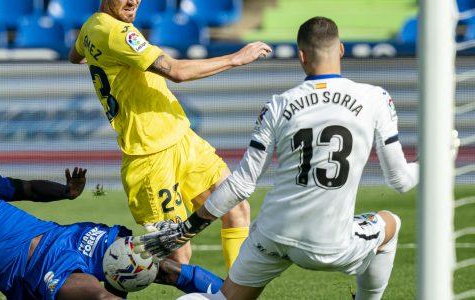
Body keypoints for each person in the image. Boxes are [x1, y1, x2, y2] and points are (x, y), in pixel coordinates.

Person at [135, 17, 461, 299]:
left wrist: (188, 228)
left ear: (302, 57)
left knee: (226, 298)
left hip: (273, 236)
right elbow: (400, 180)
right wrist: (439, 162)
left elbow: (242, 184)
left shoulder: (278, 104)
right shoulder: (376, 98)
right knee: (391, 222)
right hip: (331, 244)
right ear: (342, 50)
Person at [69, 0, 272, 267]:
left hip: (182, 137)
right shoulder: (115, 32)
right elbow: (176, 71)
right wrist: (236, 58)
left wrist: (102, 59)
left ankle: (235, 295)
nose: (133, 2)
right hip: (149, 157)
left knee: (236, 209)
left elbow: (76, 55)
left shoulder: (91, 27)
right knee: (179, 255)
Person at [0, 158, 224, 300]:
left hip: (67, 237)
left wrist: (65, 192)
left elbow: (24, 188)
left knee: (161, 267)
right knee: (100, 297)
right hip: (37, 269)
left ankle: (231, 294)